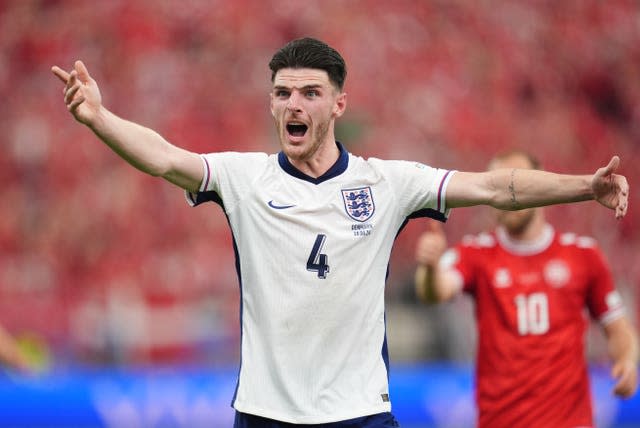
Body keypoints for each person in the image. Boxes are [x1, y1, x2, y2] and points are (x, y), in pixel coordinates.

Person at [51, 37, 629, 428]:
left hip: (359, 413)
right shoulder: (243, 177)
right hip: (265, 412)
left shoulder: (388, 183)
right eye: (282, 94)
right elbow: (162, 158)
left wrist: (586, 185)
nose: (292, 105)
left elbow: (497, 188)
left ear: (338, 103)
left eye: (308, 93)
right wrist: (100, 118)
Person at [414, 150, 638, 428]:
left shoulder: (584, 255)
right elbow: (434, 291)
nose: (513, 193)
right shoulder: (476, 253)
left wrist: (627, 360)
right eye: (501, 183)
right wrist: (429, 267)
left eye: (521, 184)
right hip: (500, 421)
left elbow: (617, 326)